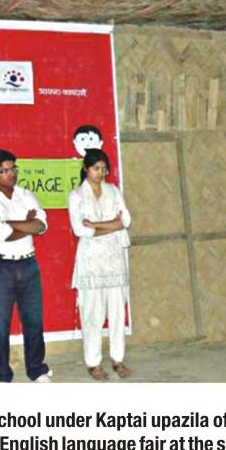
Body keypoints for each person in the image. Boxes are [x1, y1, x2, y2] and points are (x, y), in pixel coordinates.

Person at [0, 149, 52, 383]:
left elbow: (41, 226)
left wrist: (11, 224)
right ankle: (0, 376)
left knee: (34, 321)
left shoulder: (27, 195)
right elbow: (0, 233)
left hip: (28, 263)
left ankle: (36, 369)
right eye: (4, 171)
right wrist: (26, 224)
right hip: (0, 267)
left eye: (13, 168)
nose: (11, 174)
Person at [68, 149, 131, 380]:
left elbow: (125, 221)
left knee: (117, 313)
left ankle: (117, 359)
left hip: (114, 260)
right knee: (92, 314)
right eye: (96, 168)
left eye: (104, 169)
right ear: (86, 168)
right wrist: (111, 225)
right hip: (91, 262)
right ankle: (93, 363)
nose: (100, 173)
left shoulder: (113, 191)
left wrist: (96, 225)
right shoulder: (76, 195)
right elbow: (80, 229)